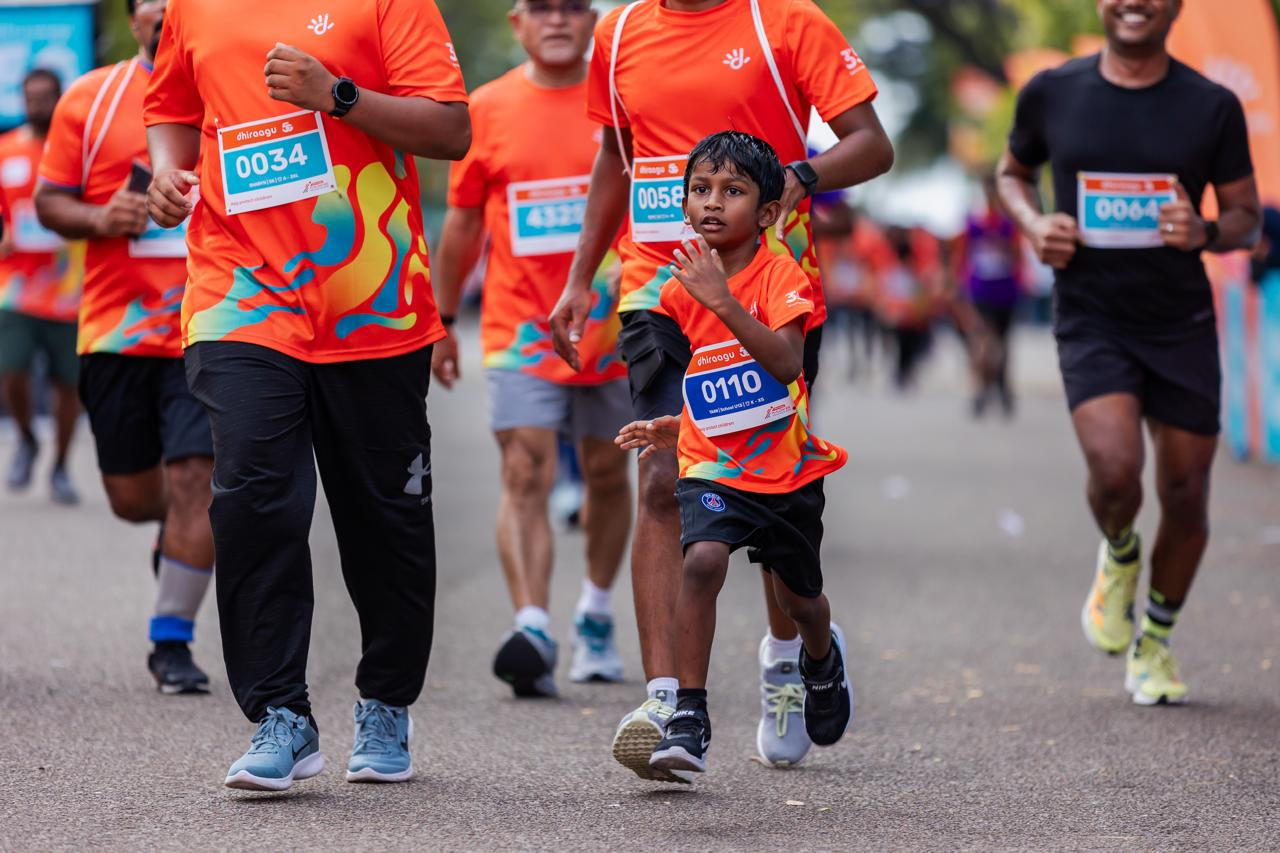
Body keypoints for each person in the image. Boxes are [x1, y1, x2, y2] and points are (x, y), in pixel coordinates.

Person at [548, 0, 892, 779]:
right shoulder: (618, 32)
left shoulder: (788, 22)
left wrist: (799, 177)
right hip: (657, 287)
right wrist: (579, 276)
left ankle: (788, 661)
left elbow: (874, 144)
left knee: (766, 482)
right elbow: (614, 160)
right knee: (661, 475)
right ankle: (669, 701)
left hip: (768, 295)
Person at [144, 0, 470, 790]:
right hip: (239, 292)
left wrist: (339, 97)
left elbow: (450, 130)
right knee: (252, 493)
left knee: (383, 517)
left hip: (371, 298)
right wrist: (166, 171)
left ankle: (386, 699)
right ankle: (279, 714)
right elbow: (172, 108)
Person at [997, 0, 1260, 705]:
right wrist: (1033, 224)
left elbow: (1245, 216)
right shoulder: (1053, 91)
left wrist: (1205, 231)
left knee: (1185, 491)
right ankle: (1120, 552)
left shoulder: (1211, 106)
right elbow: (1012, 173)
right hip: (1093, 317)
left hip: (1180, 322)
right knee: (1116, 471)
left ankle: (1155, 640)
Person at [616, 131, 852, 774]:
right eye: (700, 190)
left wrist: (720, 299)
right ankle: (689, 713)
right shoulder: (675, 290)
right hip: (715, 464)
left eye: (733, 190)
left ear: (769, 212)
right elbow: (709, 371)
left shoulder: (781, 275)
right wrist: (677, 426)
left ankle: (821, 658)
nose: (712, 202)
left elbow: (785, 364)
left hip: (783, 470)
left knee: (801, 600)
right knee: (702, 561)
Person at [432, 0, 633, 698]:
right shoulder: (486, 109)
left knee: (608, 472)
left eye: (572, 7)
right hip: (519, 327)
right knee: (524, 471)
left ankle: (596, 614)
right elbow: (462, 226)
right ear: (516, 23)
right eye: (541, 8)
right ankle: (533, 627)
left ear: (592, 21)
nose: (557, 20)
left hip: (614, 326)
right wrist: (442, 318)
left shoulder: (622, 99)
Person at [34, 0, 215, 695]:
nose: (167, 18)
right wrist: (100, 216)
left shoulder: (232, 86)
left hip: (216, 322)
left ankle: (172, 639)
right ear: (133, 17)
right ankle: (177, 535)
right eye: (152, 8)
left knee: (198, 478)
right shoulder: (92, 97)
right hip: (118, 330)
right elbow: (51, 202)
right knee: (135, 498)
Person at [0, 69, 82, 503]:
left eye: (45, 97)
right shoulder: (6, 150)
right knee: (10, 369)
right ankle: (27, 438)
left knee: (68, 385)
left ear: (59, 98)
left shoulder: (76, 149)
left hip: (69, 288)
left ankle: (61, 465)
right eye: (30, 97)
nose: (37, 105)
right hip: (15, 285)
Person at [955, 176, 1022, 417]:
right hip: (981, 290)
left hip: (1004, 291)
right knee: (984, 341)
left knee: (1000, 343)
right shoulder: (974, 224)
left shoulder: (1008, 224)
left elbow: (1016, 255)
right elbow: (963, 255)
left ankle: (999, 388)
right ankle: (983, 389)